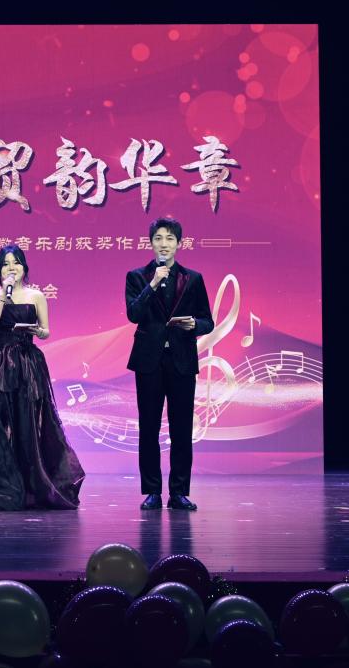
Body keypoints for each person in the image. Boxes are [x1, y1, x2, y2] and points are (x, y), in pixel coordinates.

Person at [0, 245, 85, 510]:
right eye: (5, 263)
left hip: (29, 364)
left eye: (16, 262)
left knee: (29, 422)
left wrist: (38, 331)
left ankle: (34, 485)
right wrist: (4, 295)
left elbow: (46, 331)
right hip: (1, 364)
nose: (11, 267)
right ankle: (1, 486)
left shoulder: (37, 295)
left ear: (24, 267)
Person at [125, 217, 214, 511]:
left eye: (170, 238)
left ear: (179, 243)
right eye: (158, 238)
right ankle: (152, 491)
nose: (164, 244)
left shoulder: (193, 279)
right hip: (149, 361)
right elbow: (134, 314)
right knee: (149, 428)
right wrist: (152, 284)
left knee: (181, 429)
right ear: (151, 243)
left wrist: (194, 325)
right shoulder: (137, 277)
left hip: (181, 361)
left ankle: (178, 492)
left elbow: (208, 321)